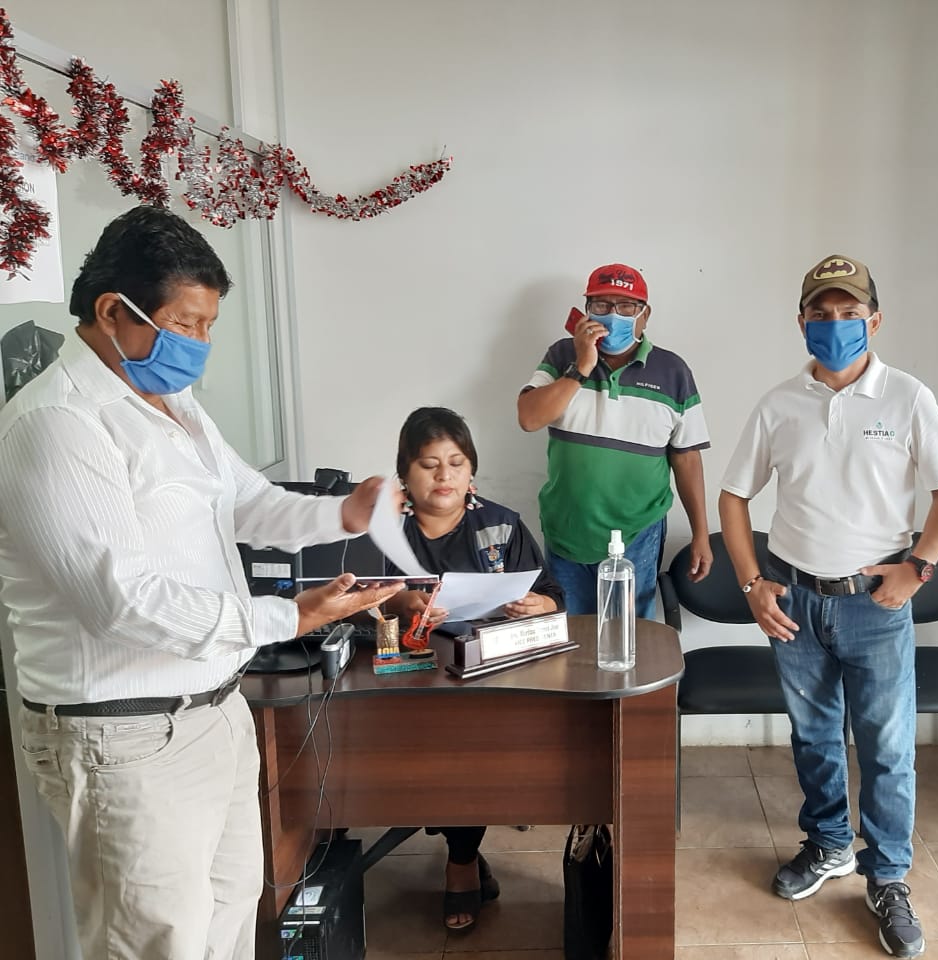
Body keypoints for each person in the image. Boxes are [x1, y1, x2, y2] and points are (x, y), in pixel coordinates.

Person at [0, 205, 403, 960]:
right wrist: (286, 618)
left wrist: (343, 513)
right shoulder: (56, 424)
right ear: (113, 312)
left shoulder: (170, 403)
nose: (201, 344)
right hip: (124, 737)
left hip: (214, 710)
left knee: (227, 922)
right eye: (185, 324)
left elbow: (243, 501)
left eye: (209, 325)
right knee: (158, 944)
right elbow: (120, 602)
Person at [720, 254, 938, 959]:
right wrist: (752, 583)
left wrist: (919, 568)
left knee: (887, 748)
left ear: (875, 321)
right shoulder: (779, 404)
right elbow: (733, 497)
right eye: (821, 315)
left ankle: (887, 878)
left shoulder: (908, 397)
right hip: (795, 600)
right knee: (814, 736)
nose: (835, 326)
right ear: (801, 323)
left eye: (849, 314)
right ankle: (828, 842)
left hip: (875, 605)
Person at [383, 406, 564, 932]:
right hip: (405, 674)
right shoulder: (384, 530)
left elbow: (552, 592)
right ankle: (459, 842)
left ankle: (461, 859)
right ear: (405, 474)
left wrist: (540, 605)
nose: (444, 476)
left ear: (471, 472)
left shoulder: (500, 525)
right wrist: (400, 602)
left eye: (456, 463)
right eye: (429, 464)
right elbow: (350, 597)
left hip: (488, 671)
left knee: (467, 749)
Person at [517, 263, 712, 617]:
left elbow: (687, 458)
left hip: (639, 531)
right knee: (568, 633)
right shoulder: (561, 356)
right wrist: (581, 365)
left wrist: (701, 533)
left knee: (630, 635)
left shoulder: (673, 371)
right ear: (586, 310)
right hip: (567, 530)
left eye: (626, 307)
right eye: (601, 305)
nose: (612, 315)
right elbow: (529, 418)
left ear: (644, 316)